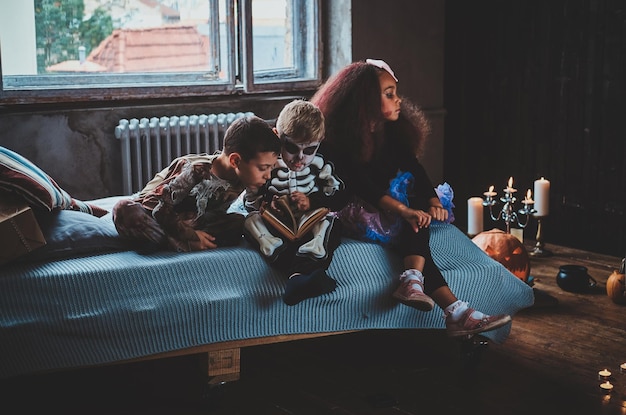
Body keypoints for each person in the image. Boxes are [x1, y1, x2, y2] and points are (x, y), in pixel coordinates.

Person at [311, 59, 511, 337]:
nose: (399, 100)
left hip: (394, 205)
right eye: (389, 93)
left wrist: (432, 201)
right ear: (366, 100)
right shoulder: (340, 143)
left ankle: (420, 285)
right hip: (363, 207)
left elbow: (413, 169)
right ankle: (451, 308)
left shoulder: (391, 134)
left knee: (418, 214)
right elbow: (365, 189)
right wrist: (404, 211)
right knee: (413, 219)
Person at [113, 115, 281, 252]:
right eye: (263, 168)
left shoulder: (245, 175)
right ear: (236, 160)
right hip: (154, 211)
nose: (267, 175)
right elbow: (160, 210)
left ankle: (175, 240)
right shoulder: (196, 171)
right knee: (125, 211)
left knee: (239, 223)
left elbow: (252, 205)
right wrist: (191, 236)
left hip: (191, 217)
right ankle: (175, 243)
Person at [243, 99, 346, 305]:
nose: (300, 157)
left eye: (309, 150)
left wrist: (312, 201)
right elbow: (250, 197)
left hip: (308, 220)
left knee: (331, 223)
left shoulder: (322, 163)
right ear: (277, 135)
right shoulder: (267, 161)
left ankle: (300, 273)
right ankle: (300, 276)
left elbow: (337, 194)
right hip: (277, 223)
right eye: (291, 147)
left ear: (320, 142)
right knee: (249, 222)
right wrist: (265, 204)